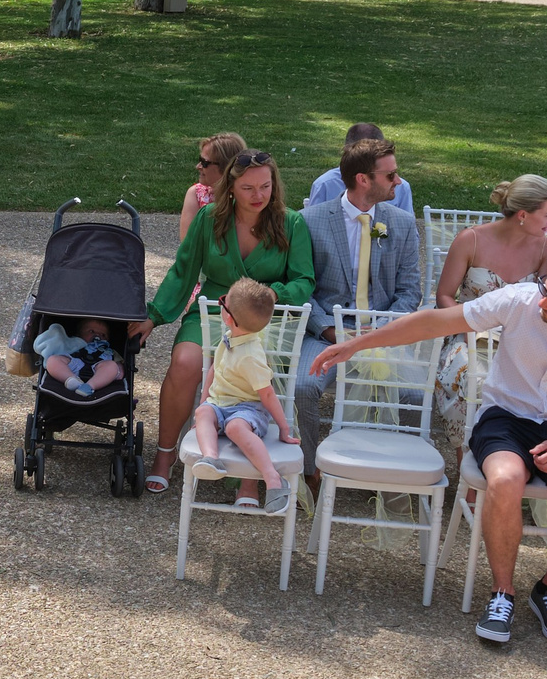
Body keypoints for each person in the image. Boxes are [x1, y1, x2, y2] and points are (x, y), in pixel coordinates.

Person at [312, 248, 547, 649]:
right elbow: (436, 321)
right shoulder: (520, 299)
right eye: (545, 290)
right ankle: (503, 594)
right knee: (505, 479)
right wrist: (357, 344)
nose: (541, 302)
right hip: (505, 419)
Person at [137, 147, 315, 493]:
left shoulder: (291, 222)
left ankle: (248, 476)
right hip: (215, 310)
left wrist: (272, 295)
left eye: (265, 186)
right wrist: (153, 316)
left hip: (264, 320)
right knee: (186, 361)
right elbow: (183, 270)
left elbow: (304, 280)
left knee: (254, 374)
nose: (258, 195)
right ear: (231, 187)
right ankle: (165, 453)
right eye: (248, 188)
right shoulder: (209, 219)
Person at [293, 136, 421, 464]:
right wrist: (329, 331)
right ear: (363, 180)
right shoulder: (310, 220)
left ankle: (390, 470)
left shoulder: (402, 223)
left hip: (382, 330)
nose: (399, 181)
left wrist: (379, 332)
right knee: (303, 387)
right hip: (326, 332)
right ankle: (307, 469)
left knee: (412, 395)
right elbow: (302, 287)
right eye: (390, 175)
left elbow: (410, 291)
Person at [433, 174, 547, 430]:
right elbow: (444, 295)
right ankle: (464, 459)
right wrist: (470, 326)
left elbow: (545, 301)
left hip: (518, 336)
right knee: (473, 376)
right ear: (523, 214)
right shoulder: (471, 240)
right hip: (466, 332)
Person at [192, 278, 295, 514]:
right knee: (203, 412)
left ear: (228, 316)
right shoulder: (229, 337)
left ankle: (273, 480)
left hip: (247, 409)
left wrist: (283, 427)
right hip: (220, 404)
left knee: (235, 428)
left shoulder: (251, 355)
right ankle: (210, 459)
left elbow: (267, 394)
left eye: (223, 302)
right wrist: (203, 406)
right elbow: (214, 372)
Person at [302, 123, 416, 215]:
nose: (397, 181)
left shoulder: (401, 188)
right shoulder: (324, 184)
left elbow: (407, 231)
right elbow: (314, 229)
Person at [177, 132, 246, 244]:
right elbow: (188, 246)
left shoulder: (248, 196)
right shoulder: (196, 194)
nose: (198, 166)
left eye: (204, 162)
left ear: (226, 166)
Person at [33, 318, 123, 397]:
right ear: (79, 334)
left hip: (99, 371)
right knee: (53, 360)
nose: (98, 336)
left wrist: (119, 370)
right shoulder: (73, 343)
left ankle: (90, 386)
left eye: (103, 335)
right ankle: (70, 380)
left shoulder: (110, 351)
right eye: (91, 331)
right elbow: (59, 347)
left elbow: (119, 364)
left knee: (112, 366)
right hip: (73, 366)